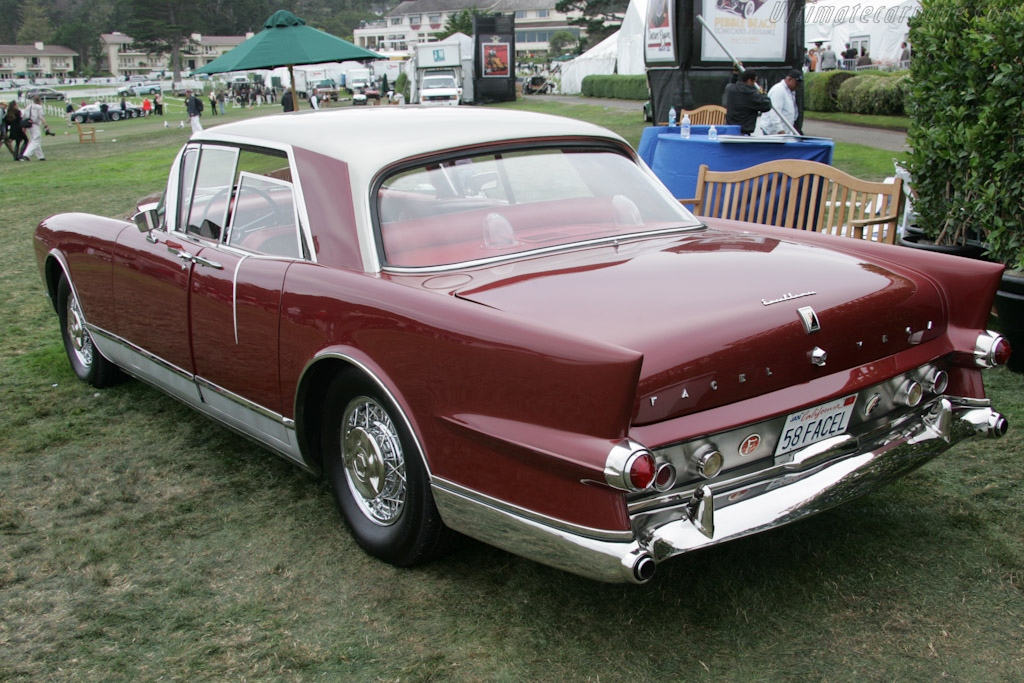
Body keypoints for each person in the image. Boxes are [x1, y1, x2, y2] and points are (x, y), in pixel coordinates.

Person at [725, 70, 772, 135]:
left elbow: (731, 83)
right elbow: (767, 106)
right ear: (749, 81)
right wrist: (763, 94)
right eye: (754, 81)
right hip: (743, 133)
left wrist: (735, 74)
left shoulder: (730, 89)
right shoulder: (752, 95)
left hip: (729, 132)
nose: (754, 84)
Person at [757, 70, 801, 135]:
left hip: (783, 132)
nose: (798, 86)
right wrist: (780, 131)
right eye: (796, 83)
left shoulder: (791, 91)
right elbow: (774, 113)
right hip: (773, 133)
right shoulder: (779, 90)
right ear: (789, 79)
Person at [21, 95, 47, 161]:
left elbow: (24, 116)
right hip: (35, 124)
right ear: (39, 101)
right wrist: (46, 125)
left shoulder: (28, 106)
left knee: (34, 140)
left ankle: (40, 156)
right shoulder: (39, 107)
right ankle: (26, 154)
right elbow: (41, 117)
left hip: (29, 125)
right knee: (36, 140)